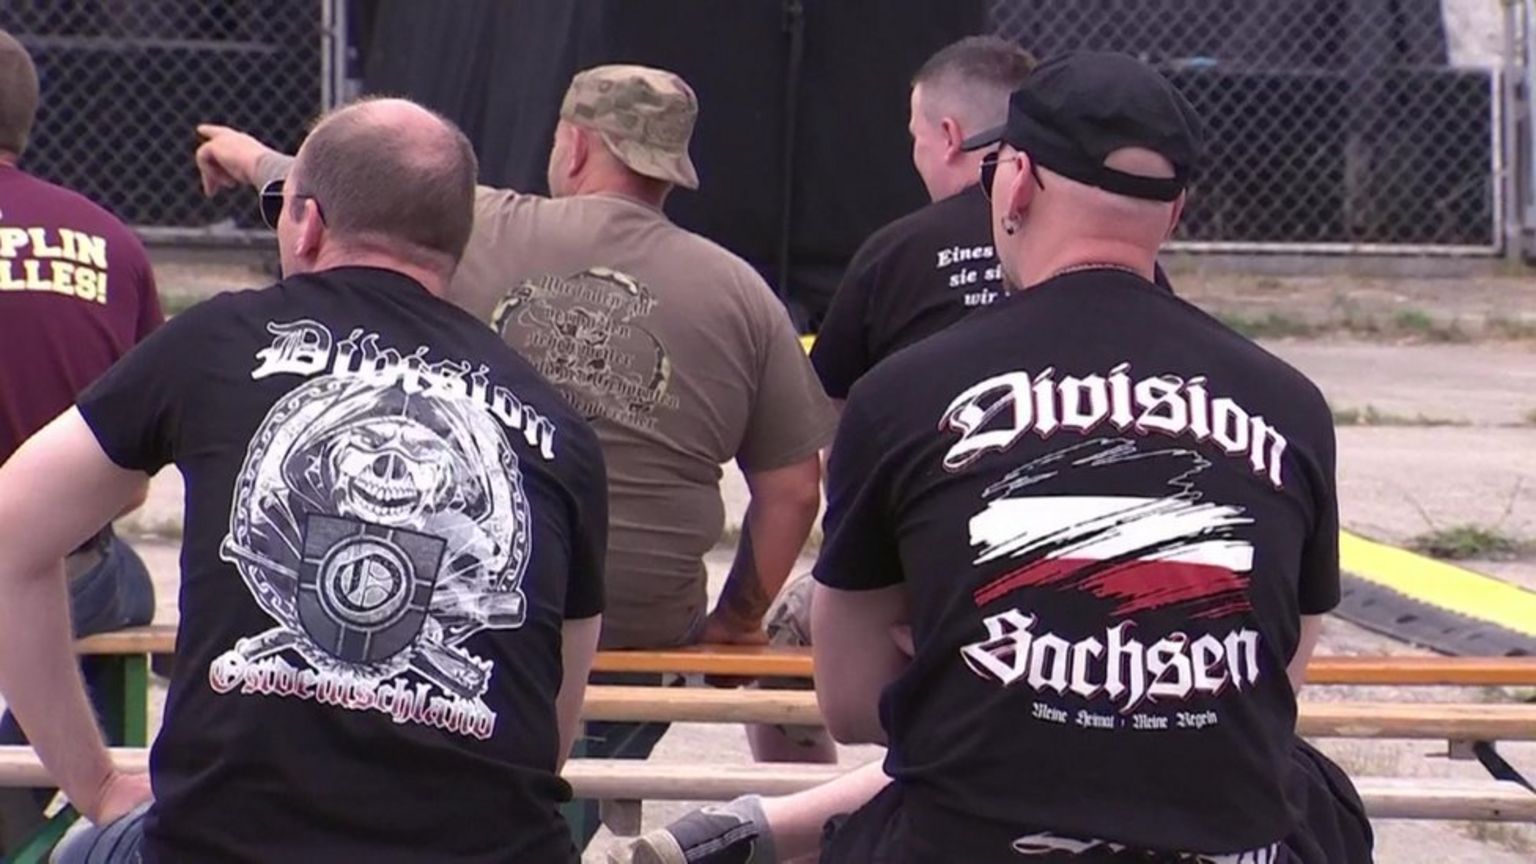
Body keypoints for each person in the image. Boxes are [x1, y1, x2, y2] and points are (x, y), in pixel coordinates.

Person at [616, 52, 1367, 864]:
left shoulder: (905, 391)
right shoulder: (1290, 403)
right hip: (1219, 841)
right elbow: (1271, 683)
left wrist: (971, 654)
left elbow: (850, 703)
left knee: (955, 755)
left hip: (972, 837)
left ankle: (761, 828)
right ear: (1176, 211)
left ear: (1014, 185)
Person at [192, 63, 839, 813]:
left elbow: (352, 181)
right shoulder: (743, 292)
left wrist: (249, 157)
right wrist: (734, 624)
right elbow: (796, 491)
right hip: (641, 627)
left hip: (464, 608)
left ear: (575, 146)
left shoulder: (481, 221)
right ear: (672, 167)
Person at [0, 97, 608, 863]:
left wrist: (95, 785)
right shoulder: (558, 426)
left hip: (225, 850)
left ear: (308, 224)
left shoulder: (218, 339)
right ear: (456, 243)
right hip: (496, 852)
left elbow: (10, 530)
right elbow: (549, 727)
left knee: (81, 851)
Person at [0, 29, 161, 852]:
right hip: (66, 560)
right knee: (120, 580)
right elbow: (139, 471)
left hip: (32, 571)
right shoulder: (112, 243)